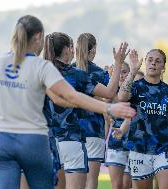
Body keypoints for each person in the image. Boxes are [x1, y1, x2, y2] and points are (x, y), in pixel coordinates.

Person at [0, 15, 135, 189]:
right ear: (38, 38)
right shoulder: (42, 67)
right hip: (33, 139)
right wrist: (109, 107)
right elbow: (69, 97)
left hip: (0, 140)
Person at [43, 32, 129, 189]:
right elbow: (111, 92)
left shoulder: (39, 71)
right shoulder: (76, 74)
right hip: (73, 138)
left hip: (47, 140)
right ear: (68, 50)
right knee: (90, 182)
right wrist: (118, 64)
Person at [117, 49, 168, 189]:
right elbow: (121, 97)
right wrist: (132, 71)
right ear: (145, 63)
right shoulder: (136, 88)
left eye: (158, 61)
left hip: (164, 150)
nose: (153, 63)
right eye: (150, 60)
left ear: (163, 67)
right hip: (139, 150)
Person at [75, 33, 124, 189]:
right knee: (91, 180)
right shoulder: (98, 73)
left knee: (73, 179)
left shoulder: (68, 70)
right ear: (94, 49)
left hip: (71, 130)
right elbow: (114, 94)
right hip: (94, 130)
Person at [105, 62, 136, 189]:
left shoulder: (135, 91)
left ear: (129, 74)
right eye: (119, 72)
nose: (122, 75)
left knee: (125, 185)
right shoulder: (110, 92)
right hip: (115, 143)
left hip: (132, 144)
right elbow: (104, 111)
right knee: (117, 186)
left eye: (125, 72)